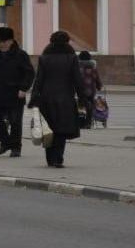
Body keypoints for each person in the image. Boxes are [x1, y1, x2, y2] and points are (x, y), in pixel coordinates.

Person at [29, 31, 85, 168]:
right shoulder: (71, 58)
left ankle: (49, 158)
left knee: (49, 130)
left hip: (46, 98)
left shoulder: (44, 58)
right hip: (66, 98)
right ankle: (58, 159)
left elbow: (39, 80)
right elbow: (77, 79)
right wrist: (82, 98)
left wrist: (34, 98)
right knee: (61, 130)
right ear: (66, 41)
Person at [0, 26, 34, 157]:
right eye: (0, 41)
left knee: (15, 122)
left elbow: (29, 73)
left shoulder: (21, 55)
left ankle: (16, 147)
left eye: (5, 41)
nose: (2, 44)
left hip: (15, 93)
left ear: (11, 40)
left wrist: (24, 88)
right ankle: (5, 142)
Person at [77, 50, 103, 129]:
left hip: (80, 91)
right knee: (90, 105)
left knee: (81, 105)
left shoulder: (77, 68)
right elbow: (97, 79)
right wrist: (99, 86)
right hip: (91, 91)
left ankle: (81, 122)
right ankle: (88, 123)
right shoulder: (93, 68)